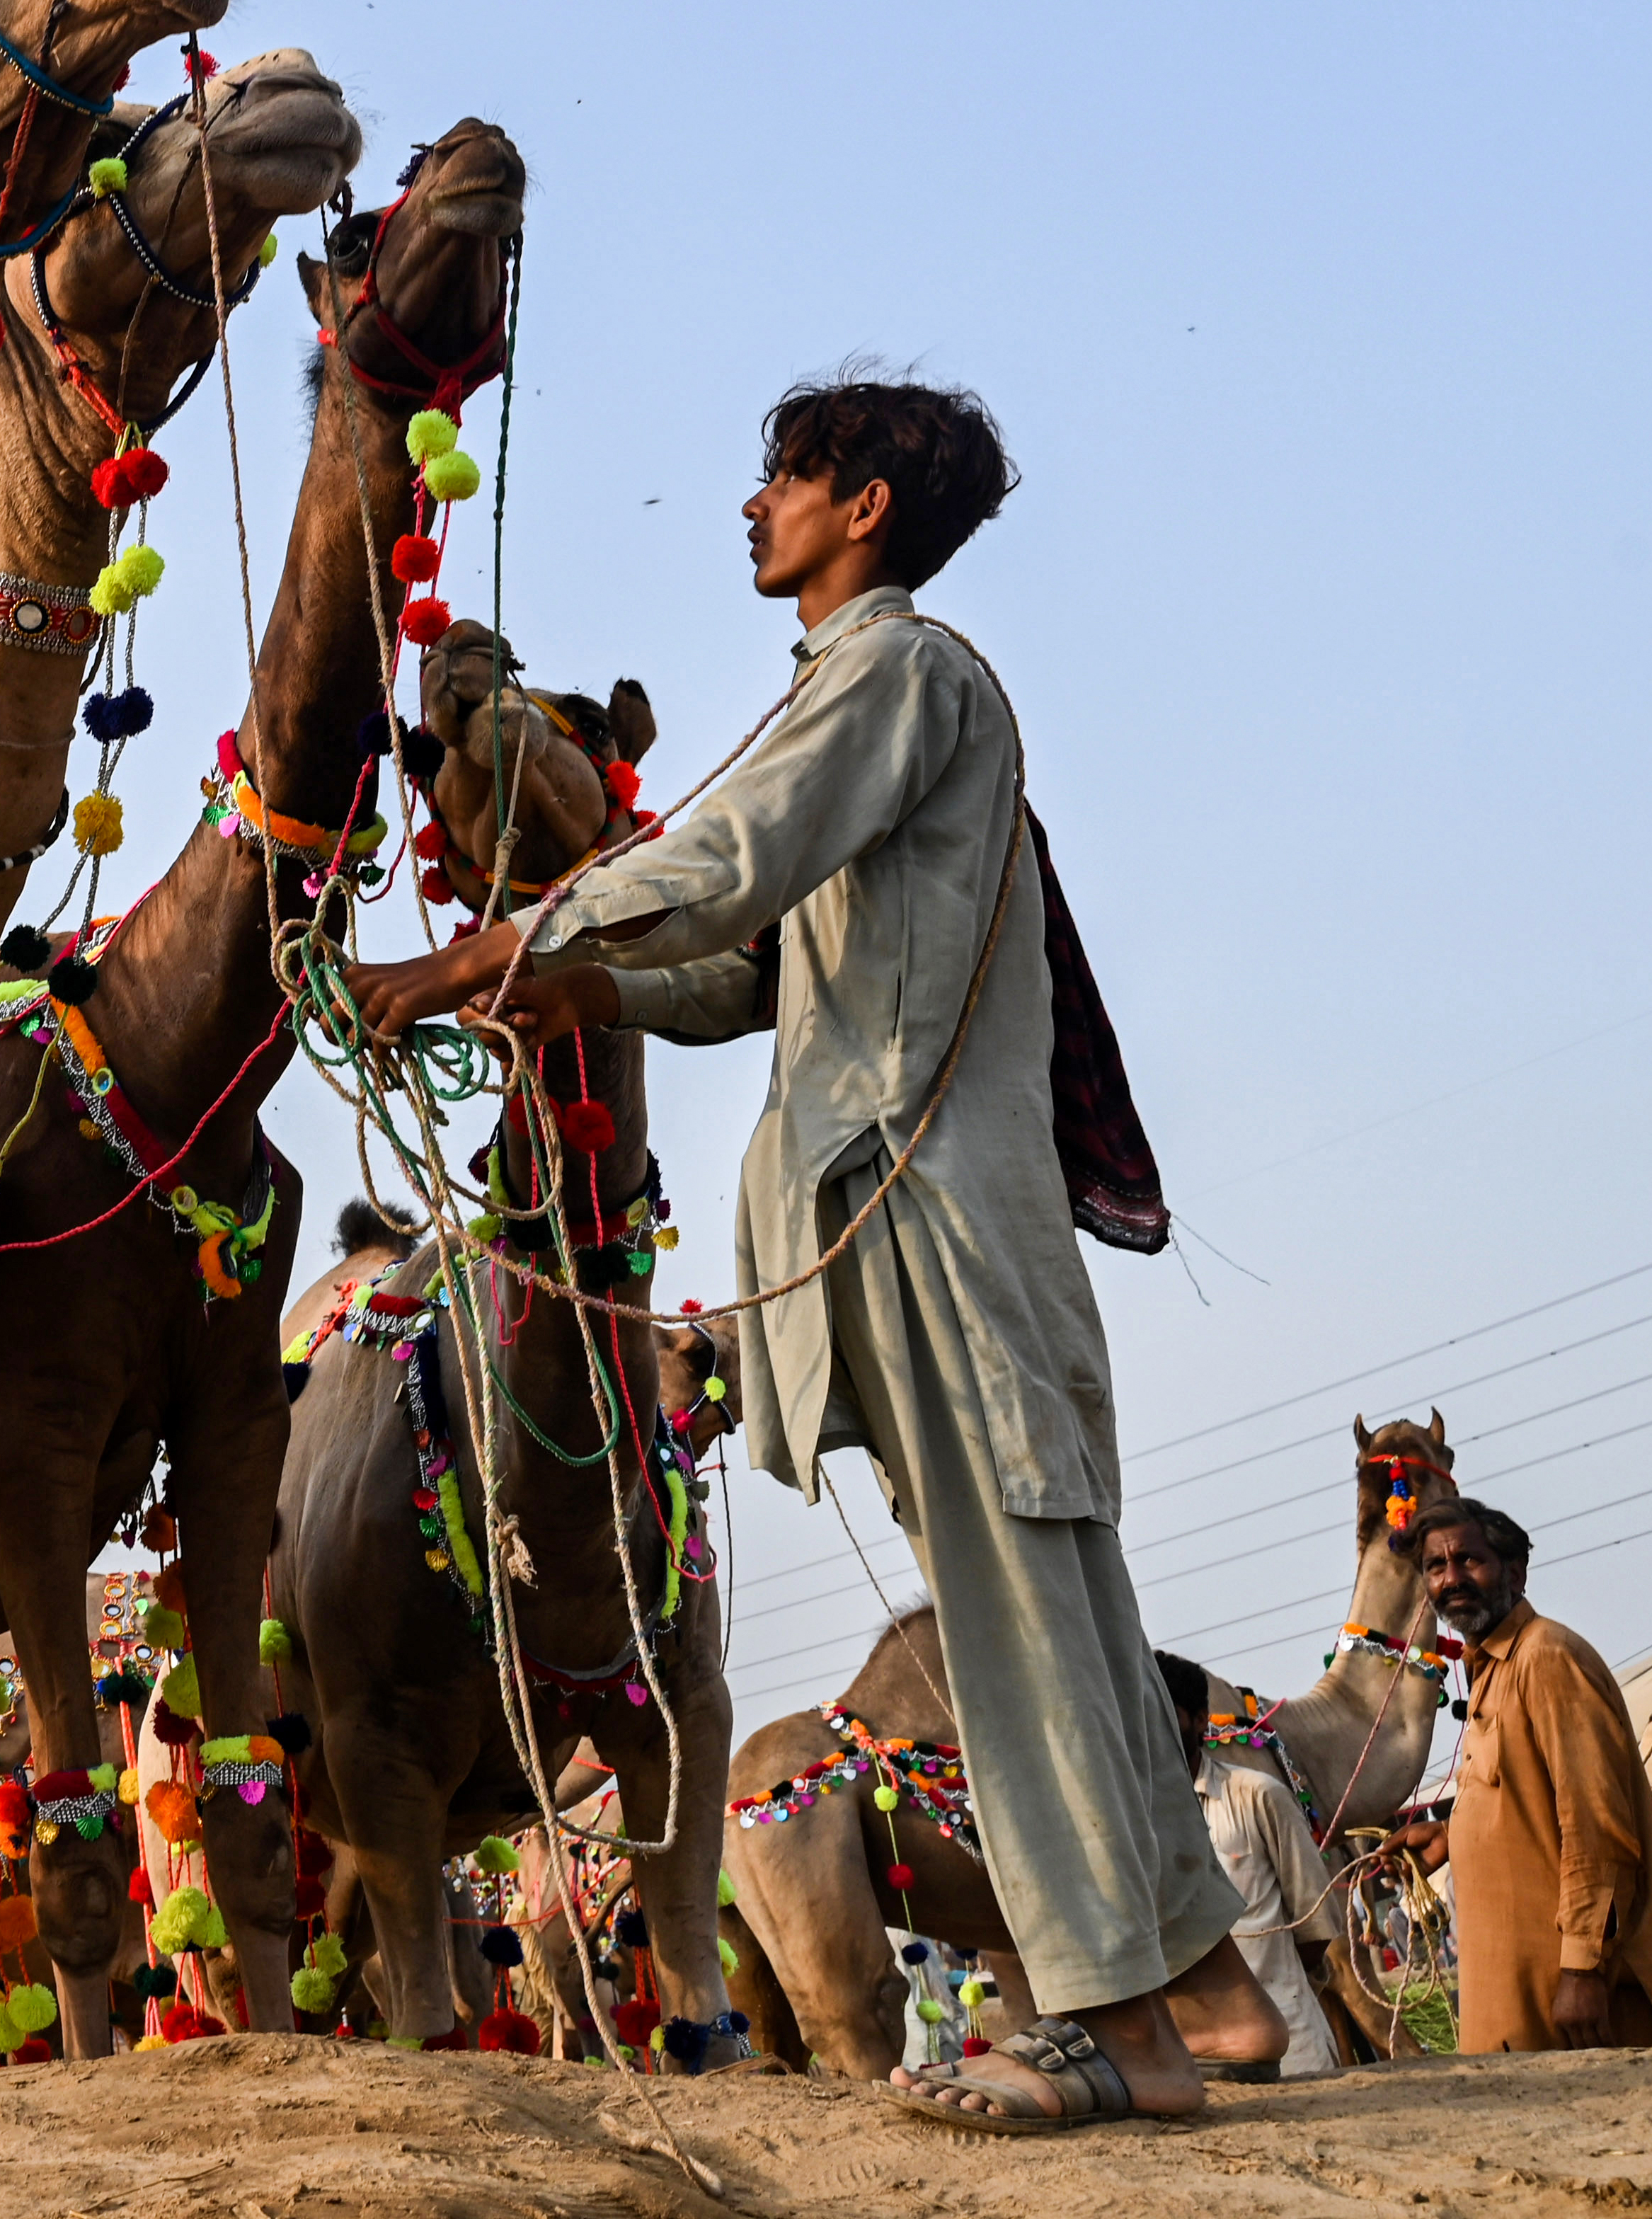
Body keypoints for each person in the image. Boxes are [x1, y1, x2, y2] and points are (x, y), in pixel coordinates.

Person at [348, 372, 1280, 2126]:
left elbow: (724, 856)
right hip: (933, 1208)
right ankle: (1205, 1989)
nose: (750, 503)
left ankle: (1102, 2023)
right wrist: (577, 981)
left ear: (857, 504)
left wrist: (474, 956)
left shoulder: (891, 672)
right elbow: (764, 965)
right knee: (1052, 1598)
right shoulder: (888, 699)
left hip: (926, 1210)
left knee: (1006, 1624)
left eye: (779, 475)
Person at [1421, 1503, 1652, 2049]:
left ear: (1514, 1572)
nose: (1450, 1578)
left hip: (1567, 1999)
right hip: (1513, 1998)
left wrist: (1581, 1971)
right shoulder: (1488, 1670)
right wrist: (1450, 1837)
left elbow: (1597, 1829)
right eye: (1435, 1566)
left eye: (1468, 1560)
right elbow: (1527, 1807)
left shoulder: (1545, 1658)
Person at [1161, 1651, 1342, 2076]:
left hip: (1290, 2048)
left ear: (1200, 1719)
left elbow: (1314, 1925)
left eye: (1162, 1714)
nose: (1148, 1730)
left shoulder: (1258, 1795)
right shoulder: (1128, 1822)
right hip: (1186, 2061)